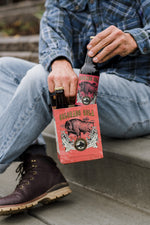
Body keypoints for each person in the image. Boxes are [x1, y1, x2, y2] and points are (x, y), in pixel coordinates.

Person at [0, 0, 150, 215]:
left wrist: (135, 39)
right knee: (4, 68)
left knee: (42, 80)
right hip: (93, 90)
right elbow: (52, 33)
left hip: (141, 93)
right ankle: (39, 162)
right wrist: (59, 61)